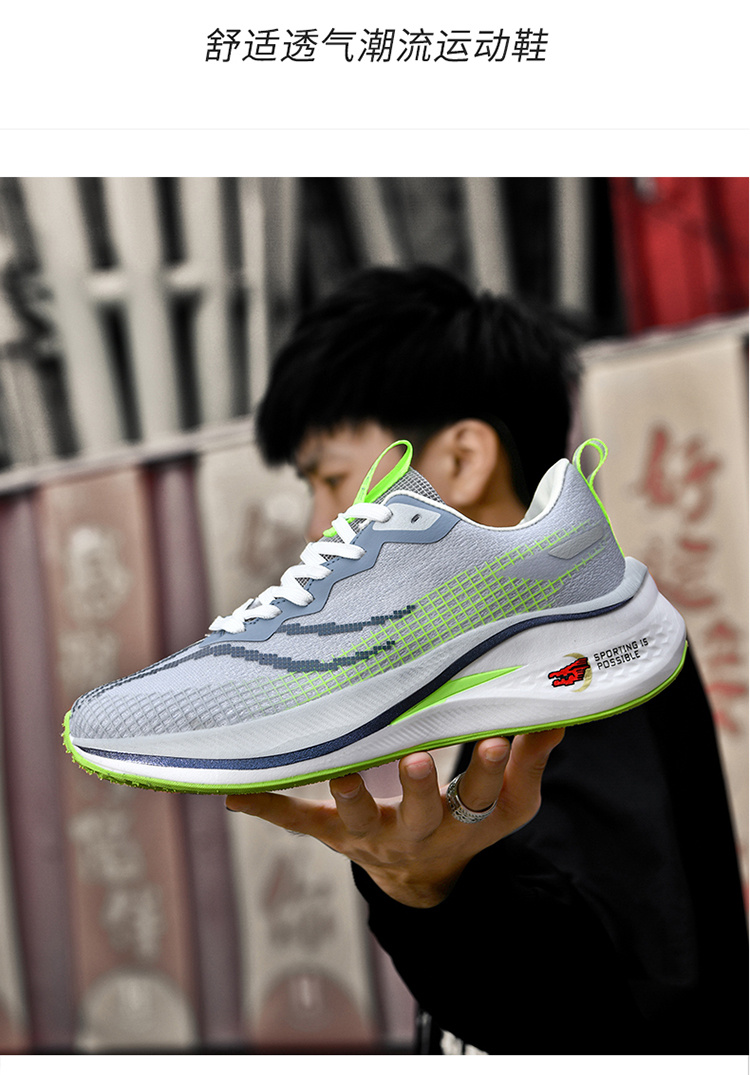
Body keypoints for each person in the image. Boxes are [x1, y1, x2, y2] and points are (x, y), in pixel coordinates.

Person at [226, 266, 748, 1054]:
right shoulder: (507, 656)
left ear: (465, 459)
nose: (316, 525)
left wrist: (435, 892)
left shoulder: (589, 650)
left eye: (332, 478)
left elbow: (610, 1004)